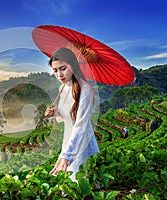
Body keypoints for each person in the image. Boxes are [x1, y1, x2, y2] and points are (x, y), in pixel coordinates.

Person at [45, 47, 99, 182]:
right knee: (69, 184)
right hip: (68, 139)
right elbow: (66, 117)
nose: (59, 75)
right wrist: (55, 113)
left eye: (63, 69)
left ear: (73, 66)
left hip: (82, 141)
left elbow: (80, 125)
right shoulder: (62, 88)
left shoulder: (85, 89)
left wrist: (66, 155)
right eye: (55, 71)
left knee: (81, 182)